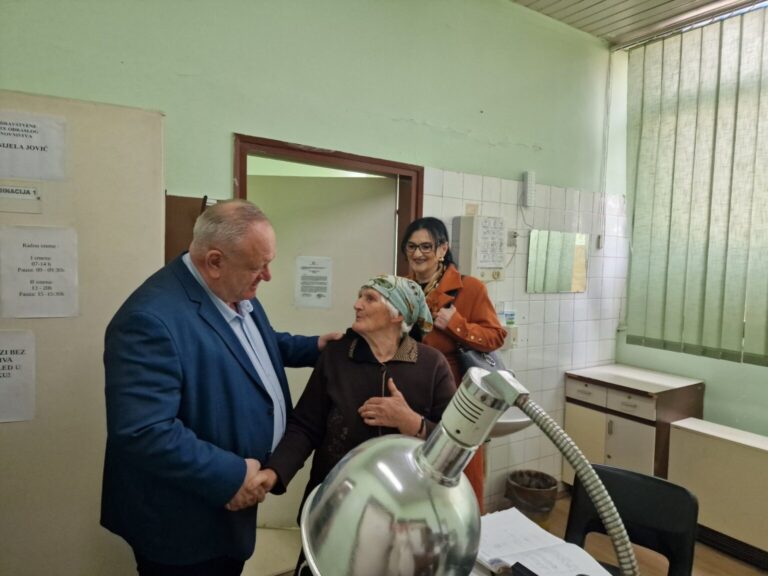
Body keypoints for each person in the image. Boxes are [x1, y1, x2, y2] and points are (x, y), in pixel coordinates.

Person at [100, 199, 341, 576]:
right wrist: (233, 475)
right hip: (186, 523)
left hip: (227, 513)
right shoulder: (149, 321)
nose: (267, 276)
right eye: (258, 266)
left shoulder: (232, 290)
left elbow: (252, 343)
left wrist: (312, 347)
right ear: (214, 261)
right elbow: (144, 431)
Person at [255, 274, 456, 575]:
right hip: (334, 505)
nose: (357, 304)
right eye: (360, 296)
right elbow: (305, 426)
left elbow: (455, 443)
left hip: (404, 515)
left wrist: (412, 423)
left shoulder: (432, 364)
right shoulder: (336, 356)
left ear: (397, 314)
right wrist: (275, 472)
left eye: (369, 298)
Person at [401, 216, 507, 513]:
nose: (418, 254)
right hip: (413, 395)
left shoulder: (469, 288)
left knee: (459, 480)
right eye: (411, 247)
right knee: (419, 480)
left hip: (456, 398)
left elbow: (496, 336)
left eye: (426, 246)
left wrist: (457, 324)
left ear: (442, 249)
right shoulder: (404, 288)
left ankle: (464, 529)